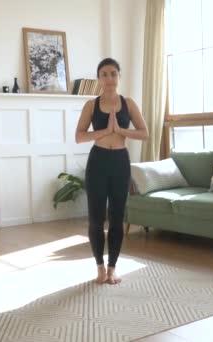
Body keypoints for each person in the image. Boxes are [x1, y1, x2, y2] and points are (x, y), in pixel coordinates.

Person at [75, 58, 149, 284]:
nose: (109, 78)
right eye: (104, 74)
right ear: (99, 78)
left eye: (113, 73)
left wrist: (120, 130)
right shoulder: (91, 105)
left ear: (119, 76)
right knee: (96, 218)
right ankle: (99, 267)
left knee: (117, 218)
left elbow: (144, 133)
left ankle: (112, 268)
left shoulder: (129, 103)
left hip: (120, 162)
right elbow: (79, 136)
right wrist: (105, 131)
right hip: (98, 162)